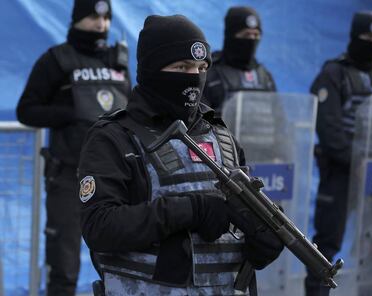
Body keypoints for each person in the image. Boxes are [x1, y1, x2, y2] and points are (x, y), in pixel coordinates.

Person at [78, 14, 284, 295]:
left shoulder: (222, 136)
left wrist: (264, 238)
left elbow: (243, 215)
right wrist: (190, 209)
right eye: (183, 66)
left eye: (202, 67)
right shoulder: (115, 137)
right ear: (153, 69)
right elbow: (99, 227)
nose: (195, 76)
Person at [16, 0, 130, 295]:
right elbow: (26, 110)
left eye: (106, 19)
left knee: (123, 262)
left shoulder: (118, 61)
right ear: (77, 19)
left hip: (114, 177)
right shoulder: (56, 60)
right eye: (93, 17)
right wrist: (70, 113)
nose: (101, 25)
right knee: (64, 264)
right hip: (68, 175)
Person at [305, 11, 372, 296]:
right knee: (326, 246)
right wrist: (358, 162)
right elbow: (329, 129)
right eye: (366, 37)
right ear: (353, 37)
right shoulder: (334, 73)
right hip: (341, 174)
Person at [202, 6, 276, 116]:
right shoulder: (210, 74)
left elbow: (278, 119)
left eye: (256, 35)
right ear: (231, 35)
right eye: (246, 34)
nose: (251, 40)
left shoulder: (265, 77)